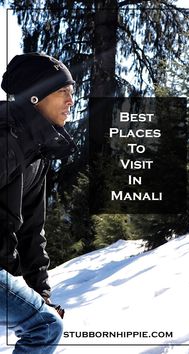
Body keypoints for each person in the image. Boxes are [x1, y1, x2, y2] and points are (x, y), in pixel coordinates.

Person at [0, 53, 77, 353]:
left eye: (72, 92)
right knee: (44, 327)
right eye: (62, 92)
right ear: (35, 97)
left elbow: (32, 232)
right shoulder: (7, 140)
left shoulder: (37, 152)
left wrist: (42, 296)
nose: (70, 100)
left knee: (44, 319)